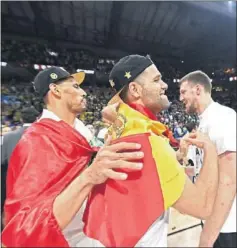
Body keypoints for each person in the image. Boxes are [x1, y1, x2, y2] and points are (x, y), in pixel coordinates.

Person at [83, 55, 219, 247]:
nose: (164, 85)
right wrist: (211, 150)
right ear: (135, 90)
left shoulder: (120, 130)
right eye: (156, 80)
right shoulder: (149, 142)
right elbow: (203, 207)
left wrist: (176, 156)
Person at [1, 67, 145, 247]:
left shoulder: (81, 130)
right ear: (56, 90)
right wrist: (89, 176)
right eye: (76, 86)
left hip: (96, 231)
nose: (84, 92)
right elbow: (29, 225)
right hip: (66, 240)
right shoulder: (37, 141)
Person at [179, 70, 236, 247]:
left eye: (183, 92)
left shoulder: (222, 118)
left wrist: (208, 235)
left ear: (198, 89)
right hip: (214, 218)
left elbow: (229, 179)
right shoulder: (205, 122)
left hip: (227, 224)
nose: (180, 98)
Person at [1, 106, 39, 229]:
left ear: (21, 119)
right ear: (37, 119)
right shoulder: (46, 136)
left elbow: (2, 162)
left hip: (14, 190)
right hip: (38, 190)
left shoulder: (8, 137)